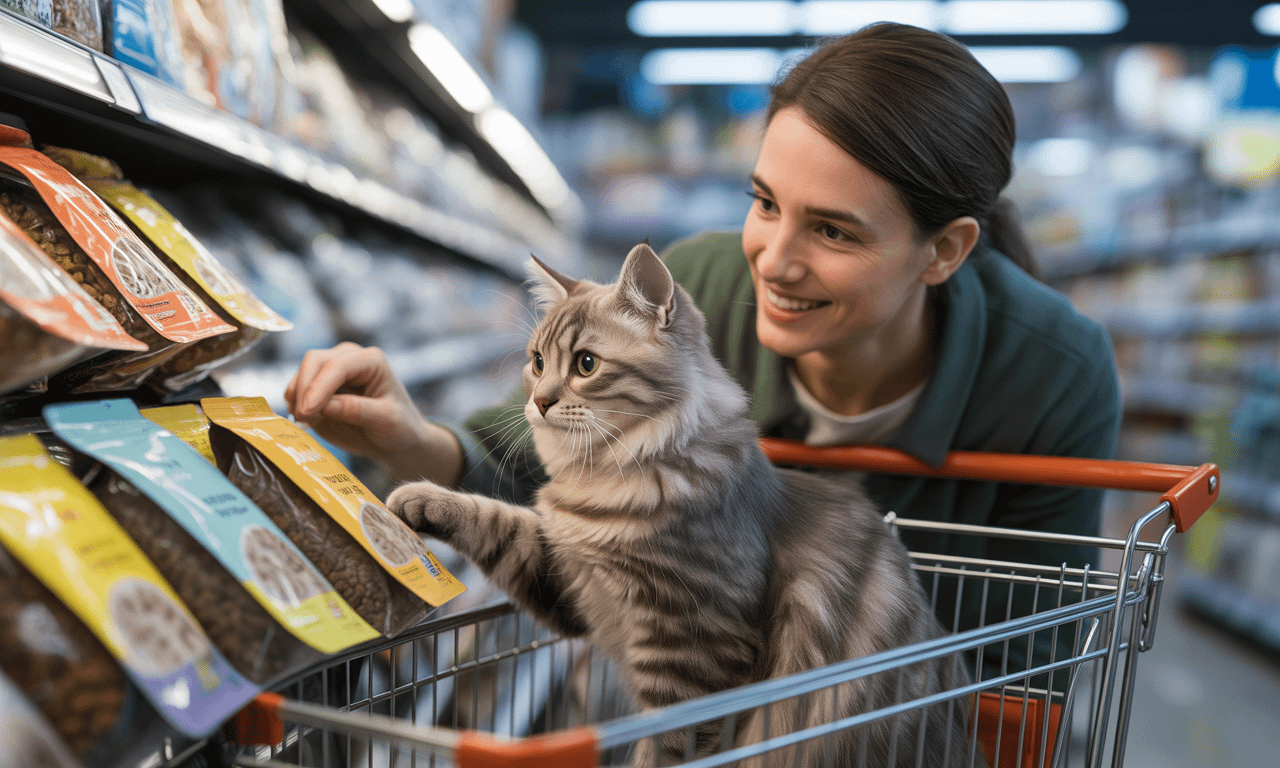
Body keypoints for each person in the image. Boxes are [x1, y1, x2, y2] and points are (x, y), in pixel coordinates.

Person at [286, 23, 1120, 680]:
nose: (774, 262)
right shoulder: (700, 290)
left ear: (943, 251)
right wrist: (409, 439)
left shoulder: (1054, 374)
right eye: (765, 202)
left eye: (833, 231)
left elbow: (1024, 670)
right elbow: (534, 455)